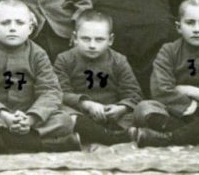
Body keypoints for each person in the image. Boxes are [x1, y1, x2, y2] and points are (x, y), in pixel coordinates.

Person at [0, 0, 77, 152]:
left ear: (30, 28)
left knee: (64, 120)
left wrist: (31, 118)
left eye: (19, 23)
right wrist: (5, 115)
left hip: (32, 115)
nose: (12, 28)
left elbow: (50, 91)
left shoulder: (38, 54)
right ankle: (42, 144)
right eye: (5, 23)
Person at [133, 0, 199, 147]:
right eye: (190, 22)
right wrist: (188, 105)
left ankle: (169, 138)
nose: (196, 28)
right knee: (143, 109)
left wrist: (195, 92)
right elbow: (160, 88)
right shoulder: (169, 51)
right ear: (178, 27)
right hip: (173, 112)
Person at [54, 10, 142, 147]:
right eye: (85, 39)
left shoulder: (119, 61)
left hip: (112, 116)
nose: (92, 45)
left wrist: (121, 108)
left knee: (140, 111)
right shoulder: (64, 59)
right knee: (62, 114)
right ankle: (110, 137)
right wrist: (86, 104)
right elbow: (60, 92)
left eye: (99, 39)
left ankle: (104, 133)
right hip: (81, 114)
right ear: (75, 38)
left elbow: (134, 93)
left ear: (110, 40)